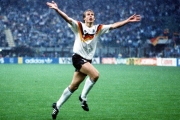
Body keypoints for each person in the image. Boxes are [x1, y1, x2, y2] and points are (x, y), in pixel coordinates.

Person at [47, 1, 141, 119]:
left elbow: (114, 25)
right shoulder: (79, 26)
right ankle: (83, 98)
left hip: (87, 61)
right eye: (88, 14)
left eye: (92, 14)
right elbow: (67, 18)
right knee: (95, 75)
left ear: (94, 18)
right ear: (84, 18)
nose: (91, 16)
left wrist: (127, 21)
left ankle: (57, 106)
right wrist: (57, 9)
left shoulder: (98, 28)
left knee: (73, 86)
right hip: (77, 58)